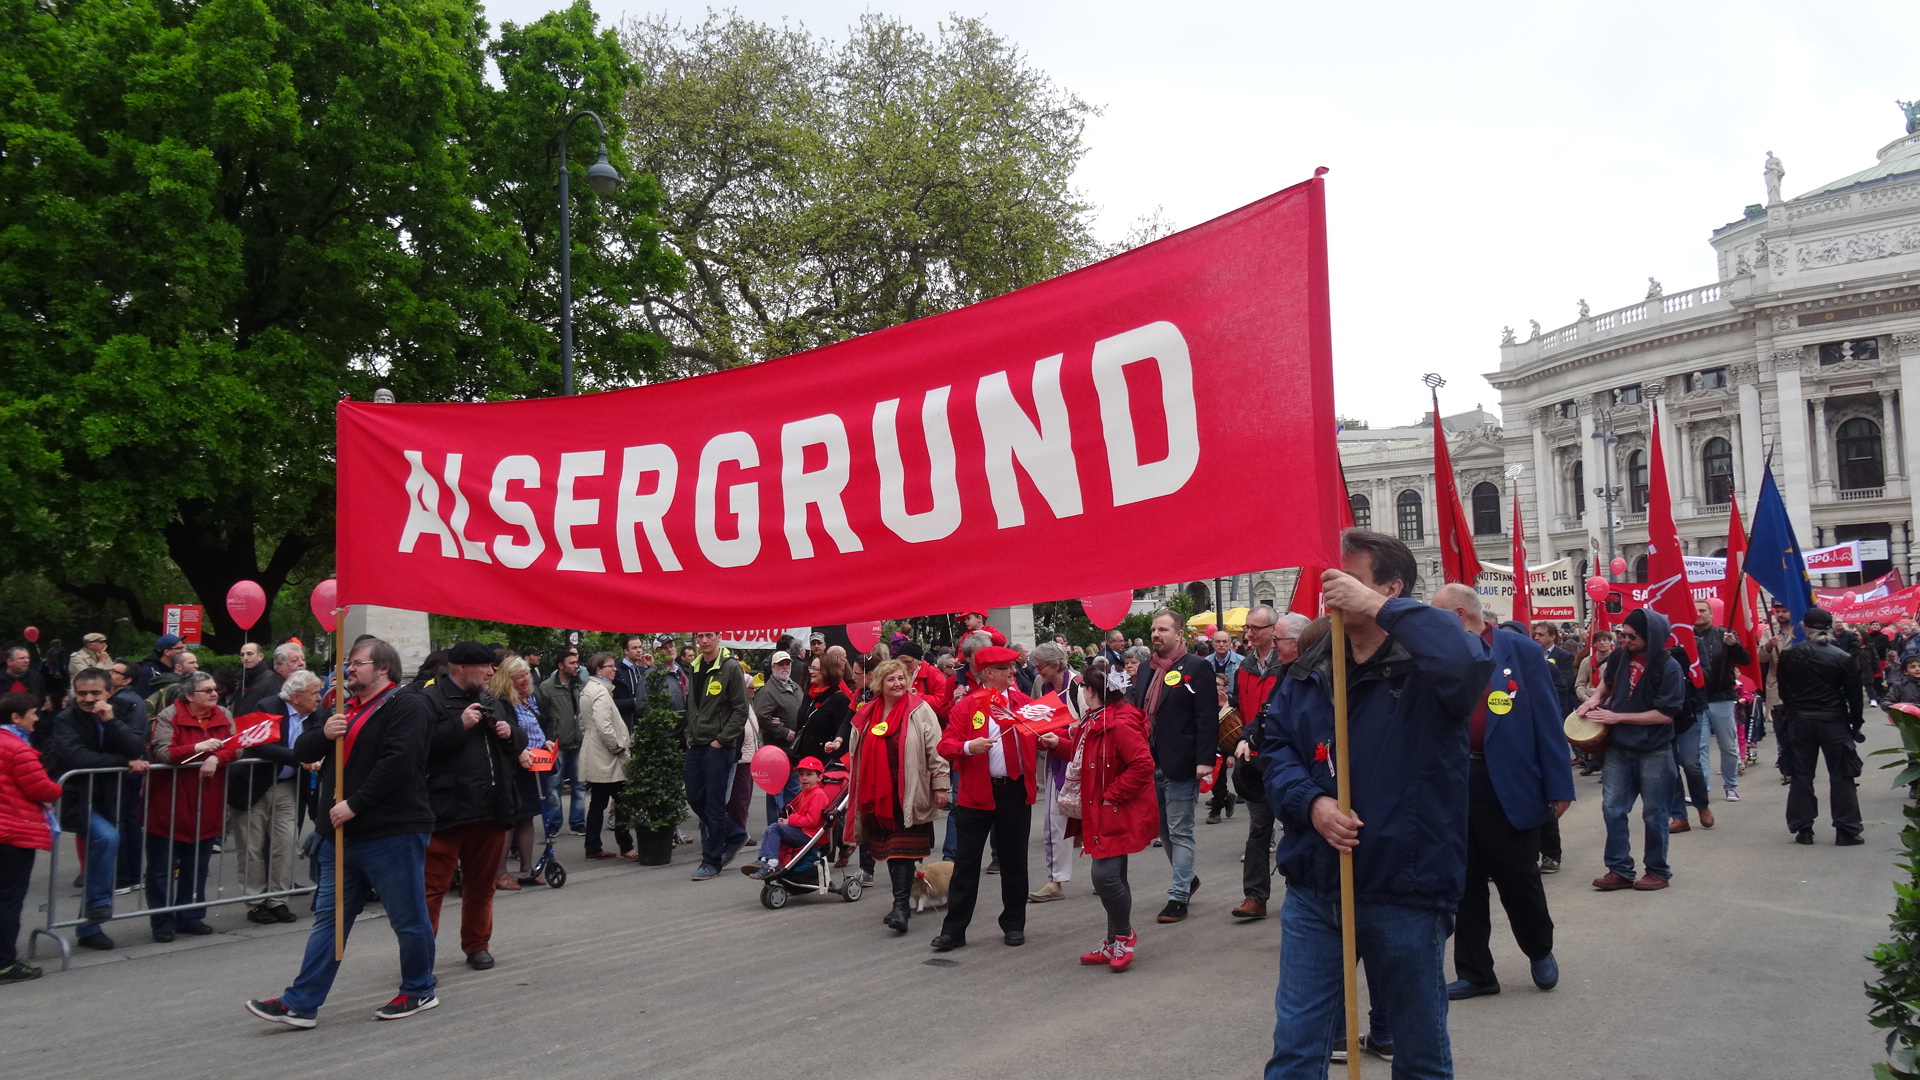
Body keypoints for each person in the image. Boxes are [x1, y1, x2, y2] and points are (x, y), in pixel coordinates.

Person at [1262, 530, 1492, 1079]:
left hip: (1404, 889)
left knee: (1419, 1051)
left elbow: (1466, 663)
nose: (1333, 589)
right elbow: (1278, 747)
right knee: (1296, 1049)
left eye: (1351, 579)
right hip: (1317, 886)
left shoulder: (1429, 660)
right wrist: (1312, 803)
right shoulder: (1313, 664)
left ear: (1391, 588)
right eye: (1331, 578)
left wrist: (1383, 610)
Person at [245, 637, 438, 1028]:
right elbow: (303, 749)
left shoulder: (406, 704)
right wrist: (325, 733)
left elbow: (399, 762)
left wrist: (356, 803)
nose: (349, 669)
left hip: (390, 832)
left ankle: (419, 989)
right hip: (340, 836)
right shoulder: (343, 708)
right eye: (349, 663)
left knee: (407, 917)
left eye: (357, 663)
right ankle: (301, 1003)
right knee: (329, 921)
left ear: (383, 668)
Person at [1430, 586, 1573, 1001]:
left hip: (1507, 782)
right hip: (1456, 782)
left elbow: (1546, 718)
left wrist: (1558, 784)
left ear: (1459, 614)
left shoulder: (1520, 651)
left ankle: (1539, 948)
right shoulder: (1438, 654)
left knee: (1518, 876)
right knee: (1465, 882)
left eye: (1437, 615)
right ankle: (1476, 972)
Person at [933, 645, 1048, 951]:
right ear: (988, 674)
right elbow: (945, 746)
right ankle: (954, 931)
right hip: (976, 794)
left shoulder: (1023, 704)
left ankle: (1014, 924)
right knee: (966, 864)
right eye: (1006, 668)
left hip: (1014, 791)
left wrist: (1050, 738)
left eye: (1013, 667)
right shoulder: (967, 707)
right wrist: (969, 747)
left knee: (1014, 862)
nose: (1013, 672)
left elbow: (1047, 735)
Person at [420, 641, 524, 970]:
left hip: (490, 808)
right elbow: (418, 747)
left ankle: (478, 945)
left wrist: (510, 734)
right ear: (462, 668)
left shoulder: (491, 698)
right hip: (447, 810)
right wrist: (458, 725)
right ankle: (420, 957)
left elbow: (518, 740)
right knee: (432, 890)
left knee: (481, 886)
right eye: (485, 666)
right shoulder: (430, 699)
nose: (492, 671)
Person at [40, 667, 149, 950]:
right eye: (82, 693)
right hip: (78, 797)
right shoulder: (65, 718)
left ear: (110, 692)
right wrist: (122, 763)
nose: (88, 699)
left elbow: (135, 747)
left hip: (112, 796)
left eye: (95, 693)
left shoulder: (123, 710)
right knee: (107, 839)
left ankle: (89, 927)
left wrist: (110, 722)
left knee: (105, 850)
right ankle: (99, 904)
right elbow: (76, 757)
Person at [1579, 608, 1686, 891]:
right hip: (1619, 747)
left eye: (1631, 636)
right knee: (1612, 808)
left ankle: (1657, 871)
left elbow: (1665, 714)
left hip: (1654, 749)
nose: (1624, 640)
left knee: (1654, 814)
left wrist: (1617, 717)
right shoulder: (1620, 655)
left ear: (1651, 636)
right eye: (1622, 634)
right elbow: (1607, 682)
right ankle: (1620, 870)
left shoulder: (1669, 667)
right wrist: (1595, 699)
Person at [843, 659, 951, 932]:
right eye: (891, 679)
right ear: (879, 684)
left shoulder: (919, 710)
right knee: (891, 852)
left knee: (903, 851)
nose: (898, 683)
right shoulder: (868, 713)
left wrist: (940, 784)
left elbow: (936, 749)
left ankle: (900, 906)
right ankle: (900, 903)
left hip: (910, 793)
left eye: (901, 678)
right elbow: (856, 752)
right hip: (878, 797)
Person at [1127, 609, 1219, 924]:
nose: (1156, 634)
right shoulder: (1147, 669)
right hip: (1150, 762)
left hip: (1182, 761)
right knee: (1164, 831)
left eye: (1163, 629)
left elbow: (1206, 716)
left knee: (1180, 831)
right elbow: (1139, 713)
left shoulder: (1196, 667)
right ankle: (1188, 878)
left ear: (1179, 634)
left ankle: (1178, 896)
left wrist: (1205, 760)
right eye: (1154, 629)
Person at [1069, 659, 1157, 972]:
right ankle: (1114, 940)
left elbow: (1143, 765)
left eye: (1084, 688)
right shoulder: (1098, 718)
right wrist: (1057, 745)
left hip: (1115, 810)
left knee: (1105, 877)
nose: (1081, 693)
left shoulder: (1118, 723)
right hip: (1106, 808)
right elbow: (1087, 756)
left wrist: (1112, 794)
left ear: (1092, 692)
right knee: (1113, 876)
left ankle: (1123, 935)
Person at [144, 671, 238, 941]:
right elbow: (163, 753)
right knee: (161, 869)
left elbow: (237, 746)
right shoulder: (169, 716)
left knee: (197, 865)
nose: (214, 694)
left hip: (207, 803)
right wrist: (198, 747)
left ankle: (191, 916)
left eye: (214, 689)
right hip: (169, 804)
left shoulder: (224, 714)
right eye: (206, 690)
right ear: (188, 695)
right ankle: (162, 922)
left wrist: (217, 758)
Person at [1230, 607, 1305, 920]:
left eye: (1256, 628)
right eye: (1247, 627)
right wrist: (1243, 738)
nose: (1249, 633)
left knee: (1297, 828)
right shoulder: (1244, 667)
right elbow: (1254, 711)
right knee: (1259, 829)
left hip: (1290, 761)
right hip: (1256, 760)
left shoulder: (1291, 666)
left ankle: (1300, 896)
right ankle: (1255, 897)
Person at [232, 669, 322, 924]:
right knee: (252, 847)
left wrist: (320, 755)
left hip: (289, 787)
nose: (319, 698)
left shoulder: (316, 714)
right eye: (314, 693)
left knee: (286, 843)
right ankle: (256, 902)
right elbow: (259, 745)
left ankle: (279, 900)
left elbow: (322, 739)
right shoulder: (267, 706)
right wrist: (300, 756)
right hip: (255, 785)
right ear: (296, 696)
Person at [1778, 607, 1866, 845]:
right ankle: (1846, 830)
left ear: (1804, 627)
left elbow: (1784, 691)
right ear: (1830, 629)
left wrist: (1793, 712)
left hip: (1800, 721)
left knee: (1801, 775)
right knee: (1842, 775)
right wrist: (1856, 723)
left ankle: (1803, 828)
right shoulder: (1842, 657)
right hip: (1833, 721)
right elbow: (1854, 695)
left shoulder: (1789, 654)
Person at [1, 692, 65, 982]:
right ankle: (4, 962)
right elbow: (43, 789)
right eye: (33, 713)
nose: (37, 718)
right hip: (12, 833)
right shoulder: (18, 748)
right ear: (16, 718)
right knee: (9, 899)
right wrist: (58, 786)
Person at [685, 632, 750, 882]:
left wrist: (721, 740)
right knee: (694, 796)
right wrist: (690, 734)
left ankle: (711, 861)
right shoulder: (695, 666)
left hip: (719, 746)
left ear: (718, 637)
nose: (704, 641)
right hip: (696, 743)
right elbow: (693, 705)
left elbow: (740, 709)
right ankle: (734, 834)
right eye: (700, 636)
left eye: (709, 635)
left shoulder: (730, 667)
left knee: (714, 804)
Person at [1026, 642, 1083, 903]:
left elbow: (1089, 728)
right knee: (1054, 822)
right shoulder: (1044, 686)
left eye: (1041, 667)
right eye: (1035, 667)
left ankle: (1108, 874)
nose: (1037, 672)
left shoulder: (1079, 686)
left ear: (1057, 664)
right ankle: (1055, 881)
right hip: (1057, 762)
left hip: (1081, 762)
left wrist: (1060, 736)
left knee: (1095, 821)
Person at [489, 656, 549, 889]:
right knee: (510, 819)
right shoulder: (501, 701)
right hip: (514, 766)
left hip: (535, 764)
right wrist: (518, 750)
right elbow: (500, 733)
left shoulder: (534, 696)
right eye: (518, 676)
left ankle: (527, 869)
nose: (525, 679)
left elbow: (545, 722)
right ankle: (500, 873)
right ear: (508, 679)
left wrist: (548, 740)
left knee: (528, 816)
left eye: (526, 674)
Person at [573, 653, 634, 862]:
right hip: (607, 756)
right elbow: (603, 724)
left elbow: (583, 721)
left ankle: (593, 847)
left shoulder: (589, 689)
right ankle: (626, 846)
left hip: (596, 752)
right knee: (622, 801)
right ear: (598, 669)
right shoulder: (600, 691)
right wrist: (616, 746)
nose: (614, 669)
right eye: (610, 666)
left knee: (598, 803)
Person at [1693, 599, 1751, 804]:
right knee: (1699, 747)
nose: (1699, 614)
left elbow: (1745, 660)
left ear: (1711, 614)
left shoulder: (1725, 635)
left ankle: (1730, 785)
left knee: (1728, 745)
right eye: (1695, 610)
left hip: (1722, 698)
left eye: (1703, 610)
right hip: (1697, 699)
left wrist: (1734, 645)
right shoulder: (1686, 636)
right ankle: (1702, 789)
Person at [743, 756, 832, 877]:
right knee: (770, 828)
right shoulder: (805, 792)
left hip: (809, 834)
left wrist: (790, 821)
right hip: (803, 831)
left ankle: (773, 862)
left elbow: (812, 821)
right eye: (801, 774)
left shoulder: (818, 795)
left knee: (775, 829)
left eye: (809, 774)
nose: (804, 778)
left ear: (819, 777)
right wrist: (787, 820)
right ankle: (764, 859)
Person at [535, 647, 587, 836]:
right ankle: (554, 823)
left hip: (579, 742)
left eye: (577, 662)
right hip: (557, 744)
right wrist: (549, 738)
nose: (576, 666)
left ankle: (578, 823)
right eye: (572, 663)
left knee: (579, 785)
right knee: (553, 786)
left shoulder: (582, 684)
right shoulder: (547, 687)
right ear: (561, 666)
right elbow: (543, 716)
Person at [752, 651, 804, 824]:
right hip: (776, 751)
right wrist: (783, 731)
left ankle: (789, 827)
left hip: (794, 751)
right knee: (777, 793)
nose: (785, 667)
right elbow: (761, 716)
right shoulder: (767, 691)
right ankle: (775, 829)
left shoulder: (796, 687)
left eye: (787, 664)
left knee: (793, 791)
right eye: (780, 664)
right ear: (773, 667)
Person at [795, 654, 853, 767]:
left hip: (825, 764)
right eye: (810, 668)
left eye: (815, 669)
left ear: (827, 671)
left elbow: (844, 734)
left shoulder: (839, 699)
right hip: (805, 761)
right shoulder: (810, 695)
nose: (811, 672)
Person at [611, 636, 651, 723]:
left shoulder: (641, 670)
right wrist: (633, 702)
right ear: (626, 651)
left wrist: (651, 667)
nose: (639, 650)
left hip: (642, 722)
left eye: (640, 647)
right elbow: (610, 701)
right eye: (634, 648)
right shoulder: (616, 671)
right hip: (623, 721)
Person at [132, 634, 185, 699]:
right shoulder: (147, 671)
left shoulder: (177, 669)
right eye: (179, 648)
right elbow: (141, 698)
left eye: (184, 648)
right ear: (167, 652)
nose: (184, 651)